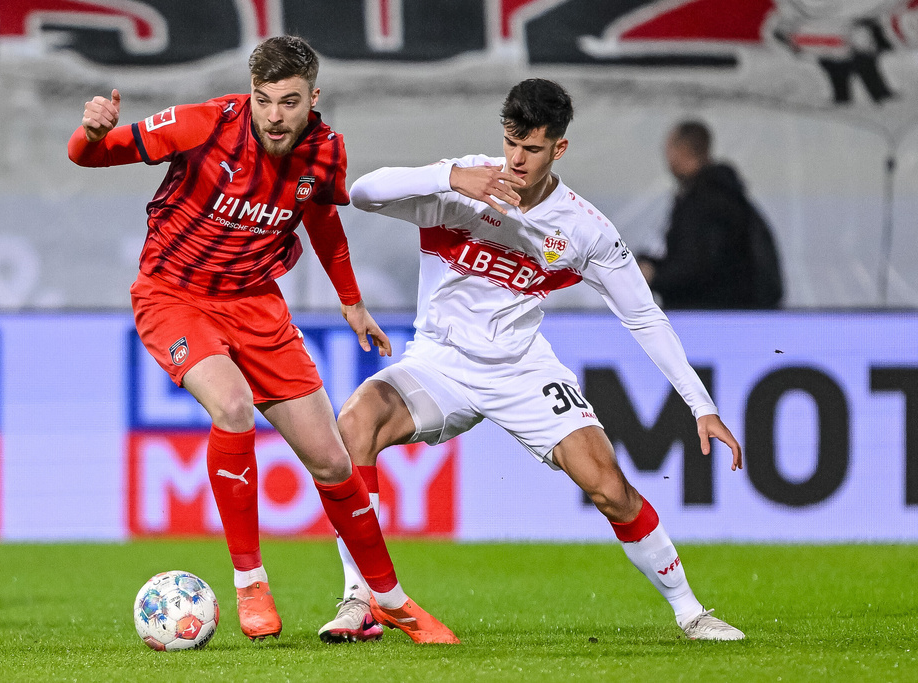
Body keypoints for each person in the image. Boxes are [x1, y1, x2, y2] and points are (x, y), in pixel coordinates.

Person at [318, 79, 745, 644]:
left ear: (559, 149)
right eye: (510, 143)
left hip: (522, 370)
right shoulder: (465, 181)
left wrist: (702, 406)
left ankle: (692, 613)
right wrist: (450, 177)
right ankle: (360, 600)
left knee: (609, 488)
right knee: (354, 425)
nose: (516, 160)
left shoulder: (582, 229)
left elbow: (643, 315)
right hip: (439, 364)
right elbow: (364, 191)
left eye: (533, 149)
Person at [68, 35, 456, 645]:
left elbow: (323, 218)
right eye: (264, 99)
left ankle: (392, 601)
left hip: (257, 306)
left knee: (331, 459)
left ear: (313, 99)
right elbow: (90, 157)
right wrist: (90, 132)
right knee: (232, 405)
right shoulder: (201, 125)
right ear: (251, 94)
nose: (275, 115)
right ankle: (250, 581)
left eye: (289, 101)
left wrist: (351, 302)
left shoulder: (326, 150)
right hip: (174, 296)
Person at [639, 120, 772, 309]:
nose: (667, 157)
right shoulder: (721, 193)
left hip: (710, 320)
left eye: (669, 148)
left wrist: (654, 275)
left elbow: (698, 267)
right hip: (729, 316)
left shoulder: (704, 200)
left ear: (683, 149)